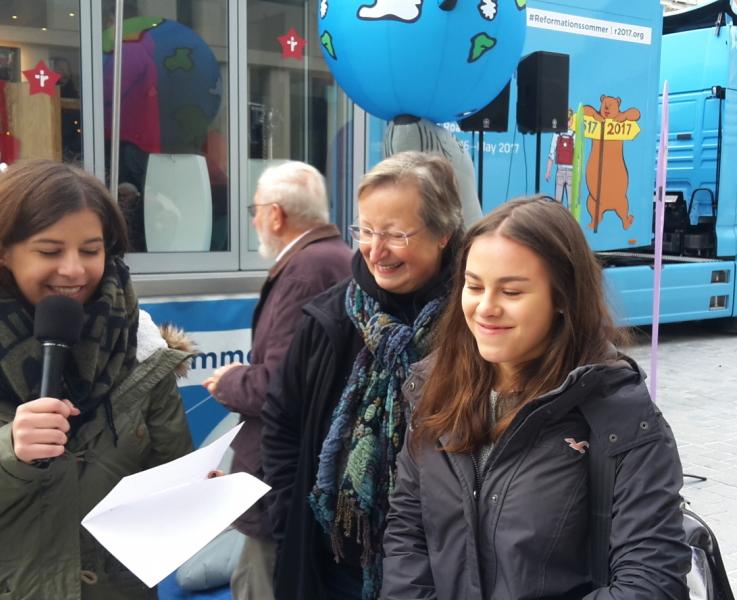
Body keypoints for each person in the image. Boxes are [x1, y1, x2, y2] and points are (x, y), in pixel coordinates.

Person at [382, 197, 691, 599]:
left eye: (511, 291)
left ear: (561, 298)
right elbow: (409, 532)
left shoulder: (621, 415)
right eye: (474, 286)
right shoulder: (434, 389)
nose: (485, 308)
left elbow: (651, 582)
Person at [262, 151, 464, 600]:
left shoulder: (474, 323)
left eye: (395, 234)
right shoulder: (331, 317)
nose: (376, 249)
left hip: (443, 571)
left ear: (444, 234)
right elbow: (281, 424)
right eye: (366, 231)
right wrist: (291, 521)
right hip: (335, 568)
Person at [0, 159, 194, 599]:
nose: (73, 270)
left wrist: (196, 494)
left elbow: (170, 476)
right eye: (49, 251)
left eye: (90, 250)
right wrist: (11, 450)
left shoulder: (139, 347)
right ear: (4, 251)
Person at [201, 161, 352, 600]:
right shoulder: (335, 258)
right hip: (300, 476)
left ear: (276, 215)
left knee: (260, 582)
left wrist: (229, 381)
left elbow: (280, 386)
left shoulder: (305, 271)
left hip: (277, 481)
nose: (252, 220)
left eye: (255, 209)